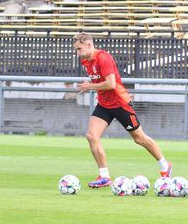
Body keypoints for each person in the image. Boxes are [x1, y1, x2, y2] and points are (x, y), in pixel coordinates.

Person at [73, 32, 171, 188]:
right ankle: (104, 176)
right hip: (104, 104)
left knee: (139, 138)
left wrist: (89, 86)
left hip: (120, 103)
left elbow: (111, 84)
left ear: (89, 45)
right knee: (92, 136)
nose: (77, 53)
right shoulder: (86, 61)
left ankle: (165, 166)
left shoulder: (103, 58)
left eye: (79, 49)